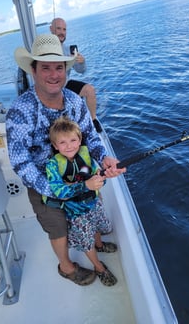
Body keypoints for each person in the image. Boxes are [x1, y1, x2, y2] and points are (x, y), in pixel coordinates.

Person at [6, 34, 125, 286]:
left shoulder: (74, 101)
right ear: (33, 70)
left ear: (65, 70)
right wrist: (56, 190)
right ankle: (67, 267)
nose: (53, 75)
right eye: (45, 68)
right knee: (57, 227)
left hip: (80, 172)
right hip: (44, 182)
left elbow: (90, 137)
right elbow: (20, 161)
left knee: (91, 210)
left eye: (58, 67)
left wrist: (104, 159)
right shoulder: (20, 109)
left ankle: (96, 244)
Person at [43, 116, 117, 286]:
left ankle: (99, 244)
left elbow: (100, 179)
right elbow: (59, 191)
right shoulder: (53, 165)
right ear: (55, 146)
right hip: (77, 213)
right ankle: (99, 267)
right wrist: (85, 185)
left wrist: (102, 177)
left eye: (73, 140)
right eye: (62, 142)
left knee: (98, 226)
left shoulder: (86, 157)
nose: (69, 145)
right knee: (86, 241)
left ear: (80, 140)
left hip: (94, 203)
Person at [50, 17, 102, 133]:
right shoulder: (45, 48)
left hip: (65, 84)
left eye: (64, 29)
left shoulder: (68, 49)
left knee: (90, 90)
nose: (62, 32)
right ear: (51, 29)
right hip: (51, 88)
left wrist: (81, 62)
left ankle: (93, 120)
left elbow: (81, 71)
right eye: (58, 28)